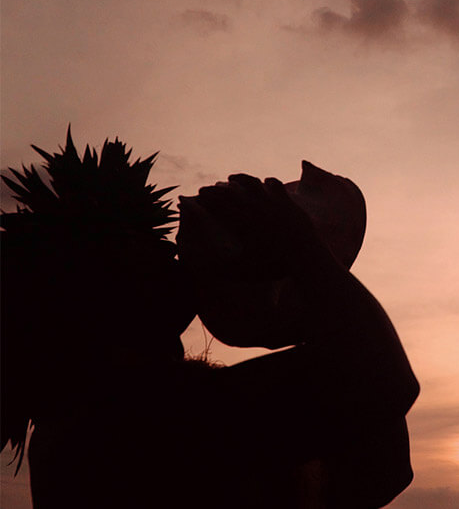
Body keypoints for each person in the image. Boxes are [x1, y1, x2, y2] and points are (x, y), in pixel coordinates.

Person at [0, 131, 419, 508]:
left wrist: (291, 295)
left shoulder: (119, 414)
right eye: (137, 248)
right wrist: (301, 248)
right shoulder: (112, 429)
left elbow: (384, 469)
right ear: (89, 299)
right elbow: (383, 384)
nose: (168, 252)